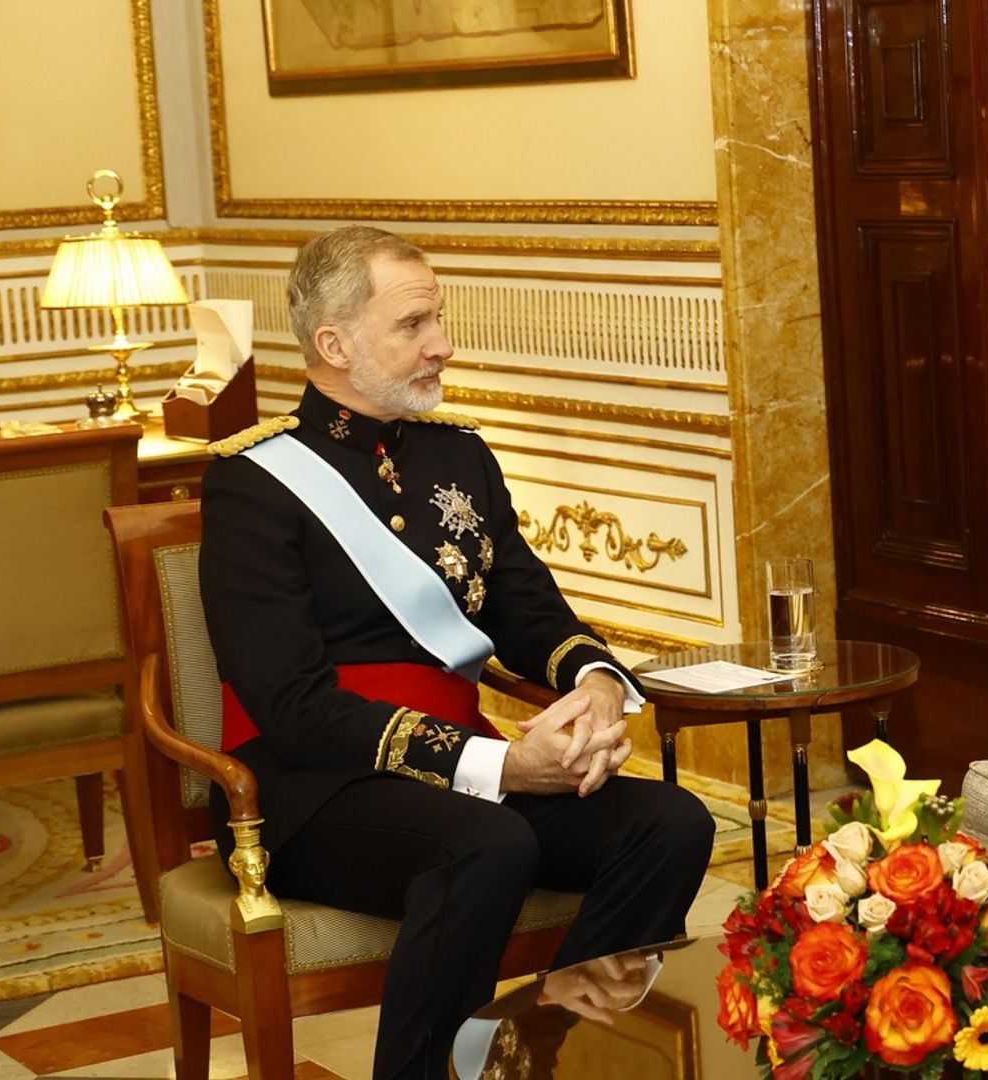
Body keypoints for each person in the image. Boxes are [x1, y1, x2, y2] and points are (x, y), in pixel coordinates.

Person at [199, 225, 714, 1080]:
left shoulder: (458, 455)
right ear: (333, 344)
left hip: (460, 767)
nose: (444, 344)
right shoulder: (252, 483)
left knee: (668, 822)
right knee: (486, 841)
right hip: (309, 790)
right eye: (414, 326)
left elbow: (529, 609)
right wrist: (504, 767)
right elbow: (290, 706)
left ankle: (551, 1052)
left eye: (438, 317)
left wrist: (592, 685)